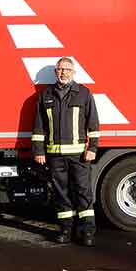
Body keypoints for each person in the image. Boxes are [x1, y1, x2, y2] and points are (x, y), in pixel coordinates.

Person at [32, 57, 100, 245]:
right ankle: (66, 230)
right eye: (60, 69)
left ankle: (87, 232)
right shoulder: (46, 95)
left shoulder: (84, 93)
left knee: (83, 192)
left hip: (79, 155)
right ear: (55, 72)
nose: (63, 73)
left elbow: (93, 123)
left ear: (73, 72)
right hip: (55, 157)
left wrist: (92, 148)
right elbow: (39, 127)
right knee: (61, 194)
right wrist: (39, 151)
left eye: (67, 69)